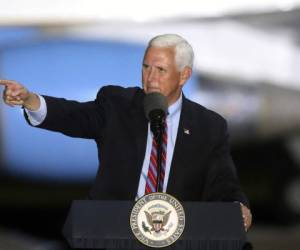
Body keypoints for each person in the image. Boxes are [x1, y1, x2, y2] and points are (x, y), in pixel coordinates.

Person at [0, 34, 252, 231]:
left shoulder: (208, 125)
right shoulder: (117, 105)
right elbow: (73, 115)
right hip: (113, 232)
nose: (150, 78)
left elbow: (223, 181)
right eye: (146, 67)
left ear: (184, 75)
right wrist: (31, 100)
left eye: (160, 70)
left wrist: (237, 207)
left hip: (179, 235)